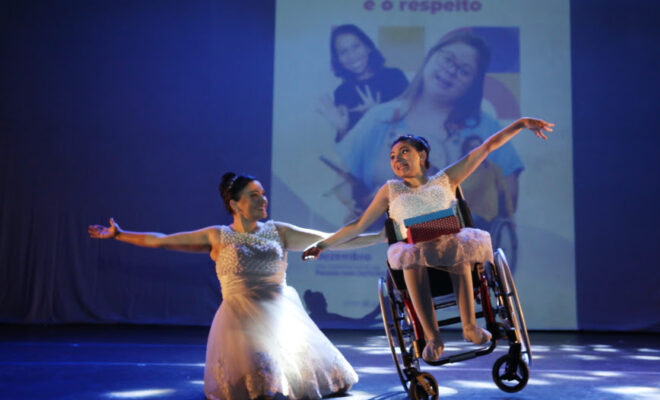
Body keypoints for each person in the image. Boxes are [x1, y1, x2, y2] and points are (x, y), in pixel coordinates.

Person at [88, 173, 384, 400]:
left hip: (280, 313)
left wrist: (380, 237)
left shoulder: (279, 231)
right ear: (234, 204)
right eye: (254, 195)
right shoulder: (217, 236)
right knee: (260, 387)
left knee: (325, 384)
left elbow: (331, 239)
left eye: (263, 194)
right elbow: (162, 241)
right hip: (240, 317)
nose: (263, 199)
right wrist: (120, 234)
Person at [303, 118, 553, 362]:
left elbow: (486, 147)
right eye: (392, 156)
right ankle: (433, 337)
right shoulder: (391, 190)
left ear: (421, 155)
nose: (397, 159)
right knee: (411, 255)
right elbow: (359, 226)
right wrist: (322, 245)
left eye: (404, 152)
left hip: (451, 250)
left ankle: (470, 327)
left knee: (456, 245)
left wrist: (521, 124)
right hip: (415, 257)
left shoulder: (445, 180)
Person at [334, 29, 524, 216]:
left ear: (474, 84)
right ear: (430, 57)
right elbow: (342, 182)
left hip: (457, 235)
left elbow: (508, 201)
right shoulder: (380, 117)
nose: (451, 71)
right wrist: (366, 203)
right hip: (384, 234)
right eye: (447, 59)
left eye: (464, 71)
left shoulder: (486, 129)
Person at [317, 24, 408, 142]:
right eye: (343, 52)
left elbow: (412, 127)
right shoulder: (342, 93)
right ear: (338, 59)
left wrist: (377, 115)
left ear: (367, 47)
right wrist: (342, 130)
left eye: (356, 46)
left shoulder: (395, 77)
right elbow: (348, 149)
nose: (352, 56)